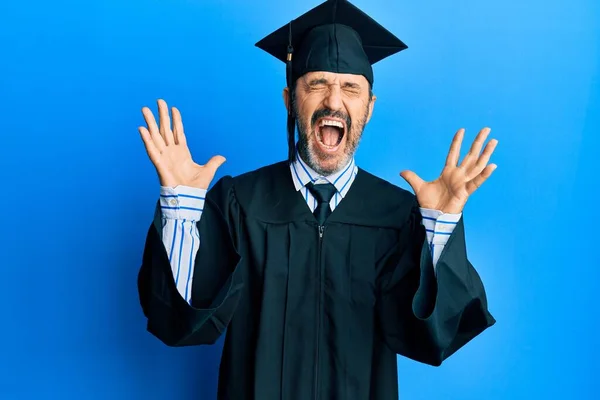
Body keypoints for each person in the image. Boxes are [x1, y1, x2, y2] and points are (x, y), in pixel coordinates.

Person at [136, 0, 497, 398]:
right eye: (318, 84)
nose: (334, 101)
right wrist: (182, 205)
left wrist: (439, 227)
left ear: (369, 108)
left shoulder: (400, 216)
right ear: (290, 100)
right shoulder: (239, 203)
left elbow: (433, 337)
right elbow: (180, 322)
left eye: (350, 87)